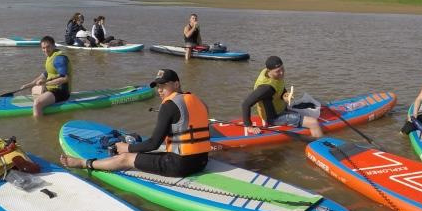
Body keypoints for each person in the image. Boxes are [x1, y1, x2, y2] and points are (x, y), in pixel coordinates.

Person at [60, 69, 211, 178]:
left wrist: (127, 148)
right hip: (202, 161)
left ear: (176, 84)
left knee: (126, 158)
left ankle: (83, 163)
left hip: (180, 166)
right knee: (151, 151)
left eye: (163, 85)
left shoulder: (168, 105)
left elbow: (153, 144)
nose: (159, 90)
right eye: (158, 86)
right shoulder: (199, 101)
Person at [241, 55, 323, 138]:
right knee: (314, 123)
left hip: (281, 108)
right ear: (269, 71)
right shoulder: (265, 88)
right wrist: (249, 126)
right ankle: (321, 147)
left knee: (313, 108)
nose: (282, 73)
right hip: (274, 118)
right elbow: (246, 104)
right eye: (278, 71)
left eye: (282, 69)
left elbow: (279, 90)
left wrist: (285, 96)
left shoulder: (272, 74)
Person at [20, 36, 71, 117]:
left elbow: (65, 78)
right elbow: (45, 74)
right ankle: (45, 100)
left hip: (60, 92)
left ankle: (38, 127)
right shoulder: (50, 57)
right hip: (50, 88)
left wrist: (45, 84)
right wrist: (29, 84)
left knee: (37, 104)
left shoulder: (59, 59)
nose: (46, 50)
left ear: (54, 45)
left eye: (48, 47)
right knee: (32, 89)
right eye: (43, 48)